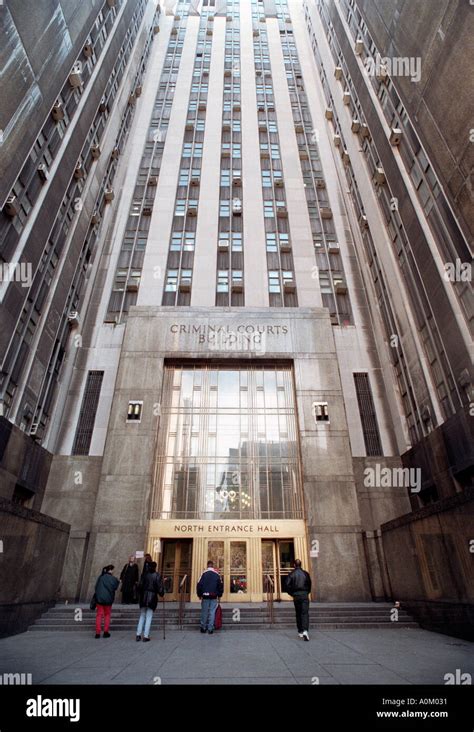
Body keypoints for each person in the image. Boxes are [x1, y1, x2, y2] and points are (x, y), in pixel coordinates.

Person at [136, 561, 165, 642]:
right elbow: (159, 587)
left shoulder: (144, 575)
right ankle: (146, 636)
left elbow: (139, 585)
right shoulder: (157, 575)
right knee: (149, 617)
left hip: (143, 597)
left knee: (142, 616)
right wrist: (162, 593)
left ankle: (138, 635)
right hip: (152, 597)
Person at [286, 559, 312, 641]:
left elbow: (286, 585)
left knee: (298, 613)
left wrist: (292, 594)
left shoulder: (291, 574)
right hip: (304, 595)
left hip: (296, 596)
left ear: (294, 565)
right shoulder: (306, 574)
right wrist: (307, 592)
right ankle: (305, 630)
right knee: (304, 613)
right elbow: (309, 584)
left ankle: (300, 631)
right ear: (301, 564)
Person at [197, 560, 223, 634]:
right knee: (212, 612)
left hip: (205, 596)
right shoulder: (217, 574)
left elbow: (199, 585)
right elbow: (220, 585)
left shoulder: (203, 574)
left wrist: (199, 595)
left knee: (204, 612)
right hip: (214, 595)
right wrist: (220, 595)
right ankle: (210, 629)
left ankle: (203, 627)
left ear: (207, 565)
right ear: (212, 566)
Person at [94, 565, 120, 639]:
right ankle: (105, 632)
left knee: (99, 615)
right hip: (108, 600)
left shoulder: (100, 577)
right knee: (107, 615)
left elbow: (96, 587)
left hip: (99, 599)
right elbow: (115, 587)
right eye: (113, 570)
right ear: (110, 570)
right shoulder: (113, 579)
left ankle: (97, 633)